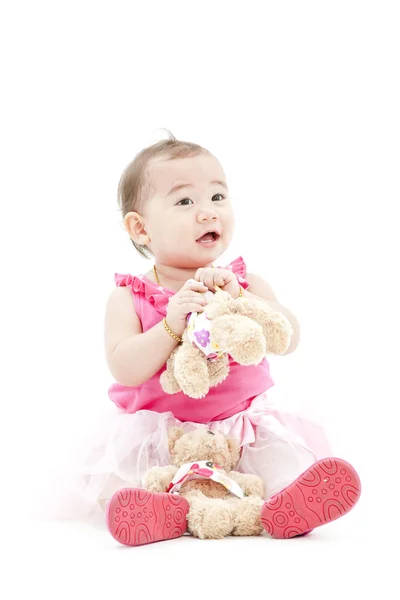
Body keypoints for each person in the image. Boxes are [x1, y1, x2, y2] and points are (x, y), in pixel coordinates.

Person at [84, 131, 361, 544]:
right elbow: (125, 367)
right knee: (125, 484)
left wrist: (244, 298)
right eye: (184, 201)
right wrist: (169, 325)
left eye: (218, 197)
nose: (208, 213)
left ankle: (286, 505)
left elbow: (289, 338)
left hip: (243, 428)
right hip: (165, 435)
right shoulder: (130, 296)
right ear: (140, 228)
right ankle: (167, 510)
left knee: (279, 464)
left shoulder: (247, 282)